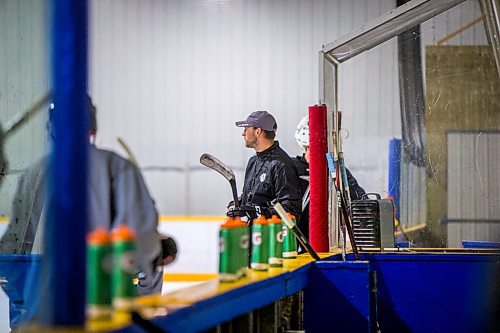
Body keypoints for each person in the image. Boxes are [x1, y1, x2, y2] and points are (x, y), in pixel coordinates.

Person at [0, 96, 174, 295]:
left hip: (47, 310)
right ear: (93, 125)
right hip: (105, 308)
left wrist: (24, 311)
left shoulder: (33, 176)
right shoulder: (118, 168)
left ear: (51, 128)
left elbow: (11, 255)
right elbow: (144, 247)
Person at [293, 115, 366, 241]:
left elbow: (360, 202)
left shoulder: (336, 170)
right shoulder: (290, 167)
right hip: (295, 239)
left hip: (326, 241)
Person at [228, 111, 302, 219]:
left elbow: (291, 208)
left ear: (258, 131)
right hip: (253, 232)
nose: (243, 133)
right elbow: (250, 197)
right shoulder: (253, 161)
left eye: (246, 129)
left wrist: (258, 212)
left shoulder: (280, 164)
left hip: (270, 233)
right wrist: (236, 205)